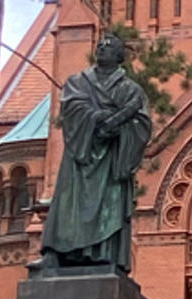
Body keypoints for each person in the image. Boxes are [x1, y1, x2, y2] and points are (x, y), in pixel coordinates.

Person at [36, 34, 151, 274]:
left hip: (111, 155)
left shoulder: (130, 89)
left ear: (119, 57)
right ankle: (56, 253)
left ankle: (103, 253)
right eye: (99, 45)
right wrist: (97, 119)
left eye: (109, 47)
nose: (102, 48)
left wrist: (121, 129)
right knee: (66, 203)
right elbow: (71, 107)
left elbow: (141, 123)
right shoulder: (78, 81)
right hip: (82, 152)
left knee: (108, 203)